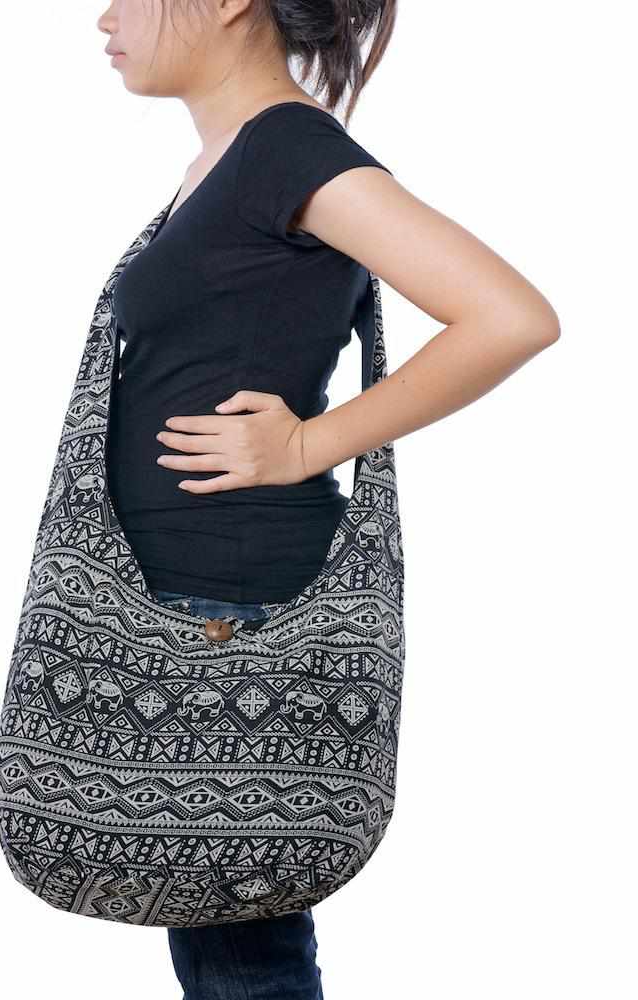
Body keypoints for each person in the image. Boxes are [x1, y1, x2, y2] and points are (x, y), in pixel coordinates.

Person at [97, 1, 561, 997]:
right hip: (196, 599)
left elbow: (510, 316)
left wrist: (310, 441)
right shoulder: (232, 160)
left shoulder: (285, 150)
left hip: (228, 605)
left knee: (239, 950)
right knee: (228, 938)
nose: (104, 17)